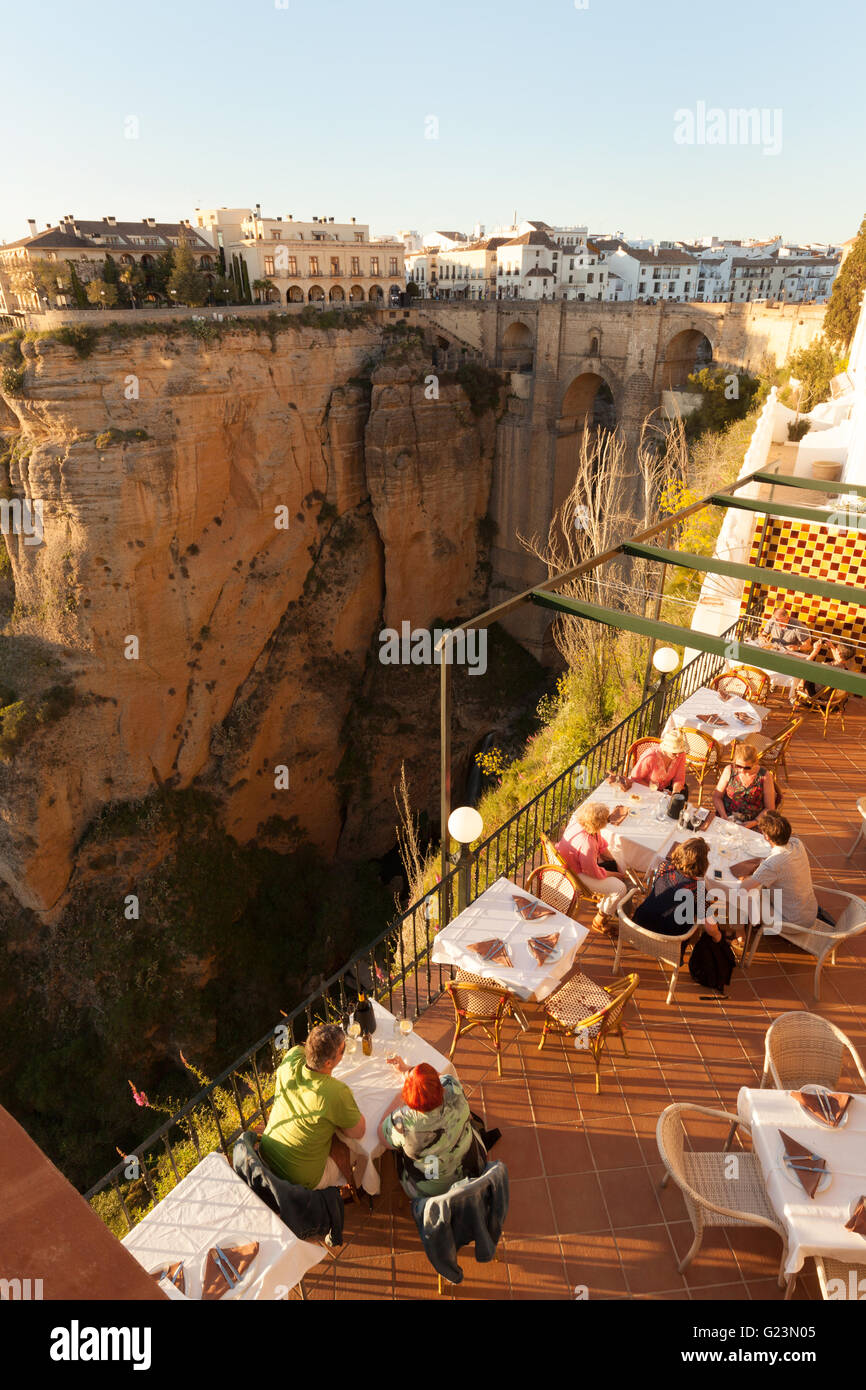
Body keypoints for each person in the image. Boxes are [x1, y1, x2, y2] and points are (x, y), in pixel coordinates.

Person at [260, 1024, 366, 1191]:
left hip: (267, 1155)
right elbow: (358, 1131)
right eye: (342, 1050)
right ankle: (361, 1185)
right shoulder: (334, 1092)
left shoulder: (292, 1057)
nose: (344, 1052)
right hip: (301, 1179)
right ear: (329, 1062)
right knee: (361, 1148)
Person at [378, 1061, 485, 1198]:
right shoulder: (452, 1086)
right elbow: (440, 1077)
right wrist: (410, 1071)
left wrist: (398, 1099)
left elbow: (382, 1136)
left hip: (432, 1191)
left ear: (410, 1098)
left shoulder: (403, 1121)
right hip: (472, 1169)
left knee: (397, 1149)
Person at [737, 809, 831, 926]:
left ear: (766, 836)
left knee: (742, 897)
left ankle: (737, 932)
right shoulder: (797, 843)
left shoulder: (773, 863)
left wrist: (743, 877)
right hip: (809, 911)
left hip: (792, 922)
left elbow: (743, 888)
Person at [556, 800, 629, 932]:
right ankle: (599, 921)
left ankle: (607, 901)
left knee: (619, 859)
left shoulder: (580, 824)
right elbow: (593, 872)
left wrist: (613, 861)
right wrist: (616, 875)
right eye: (606, 819)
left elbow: (600, 844)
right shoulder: (586, 844)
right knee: (620, 888)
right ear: (598, 824)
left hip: (576, 862)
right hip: (575, 874)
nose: (608, 820)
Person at [632, 838, 722, 942]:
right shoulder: (699, 890)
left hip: (639, 927)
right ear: (703, 864)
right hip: (670, 941)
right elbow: (710, 928)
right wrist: (718, 936)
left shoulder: (664, 867)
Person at [712, 742, 776, 828]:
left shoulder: (765, 776)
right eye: (738, 766)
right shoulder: (729, 770)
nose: (742, 771)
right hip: (727, 817)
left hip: (753, 821)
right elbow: (717, 797)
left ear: (755, 763)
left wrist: (754, 822)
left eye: (747, 768)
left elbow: (770, 808)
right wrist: (724, 816)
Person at [793, 638, 857, 703]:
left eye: (836, 648)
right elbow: (840, 660)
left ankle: (795, 698)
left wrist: (815, 651)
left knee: (800, 671)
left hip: (818, 695)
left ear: (839, 653)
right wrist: (832, 647)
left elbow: (805, 666)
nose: (835, 649)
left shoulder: (827, 666)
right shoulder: (851, 665)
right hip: (834, 697)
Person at [624, 728, 687, 793]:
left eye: (679, 751)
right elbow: (635, 778)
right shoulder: (651, 756)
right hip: (646, 788)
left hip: (666, 789)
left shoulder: (681, 754)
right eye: (674, 752)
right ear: (666, 748)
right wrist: (658, 792)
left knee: (681, 796)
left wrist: (675, 793)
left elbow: (679, 779)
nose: (677, 755)